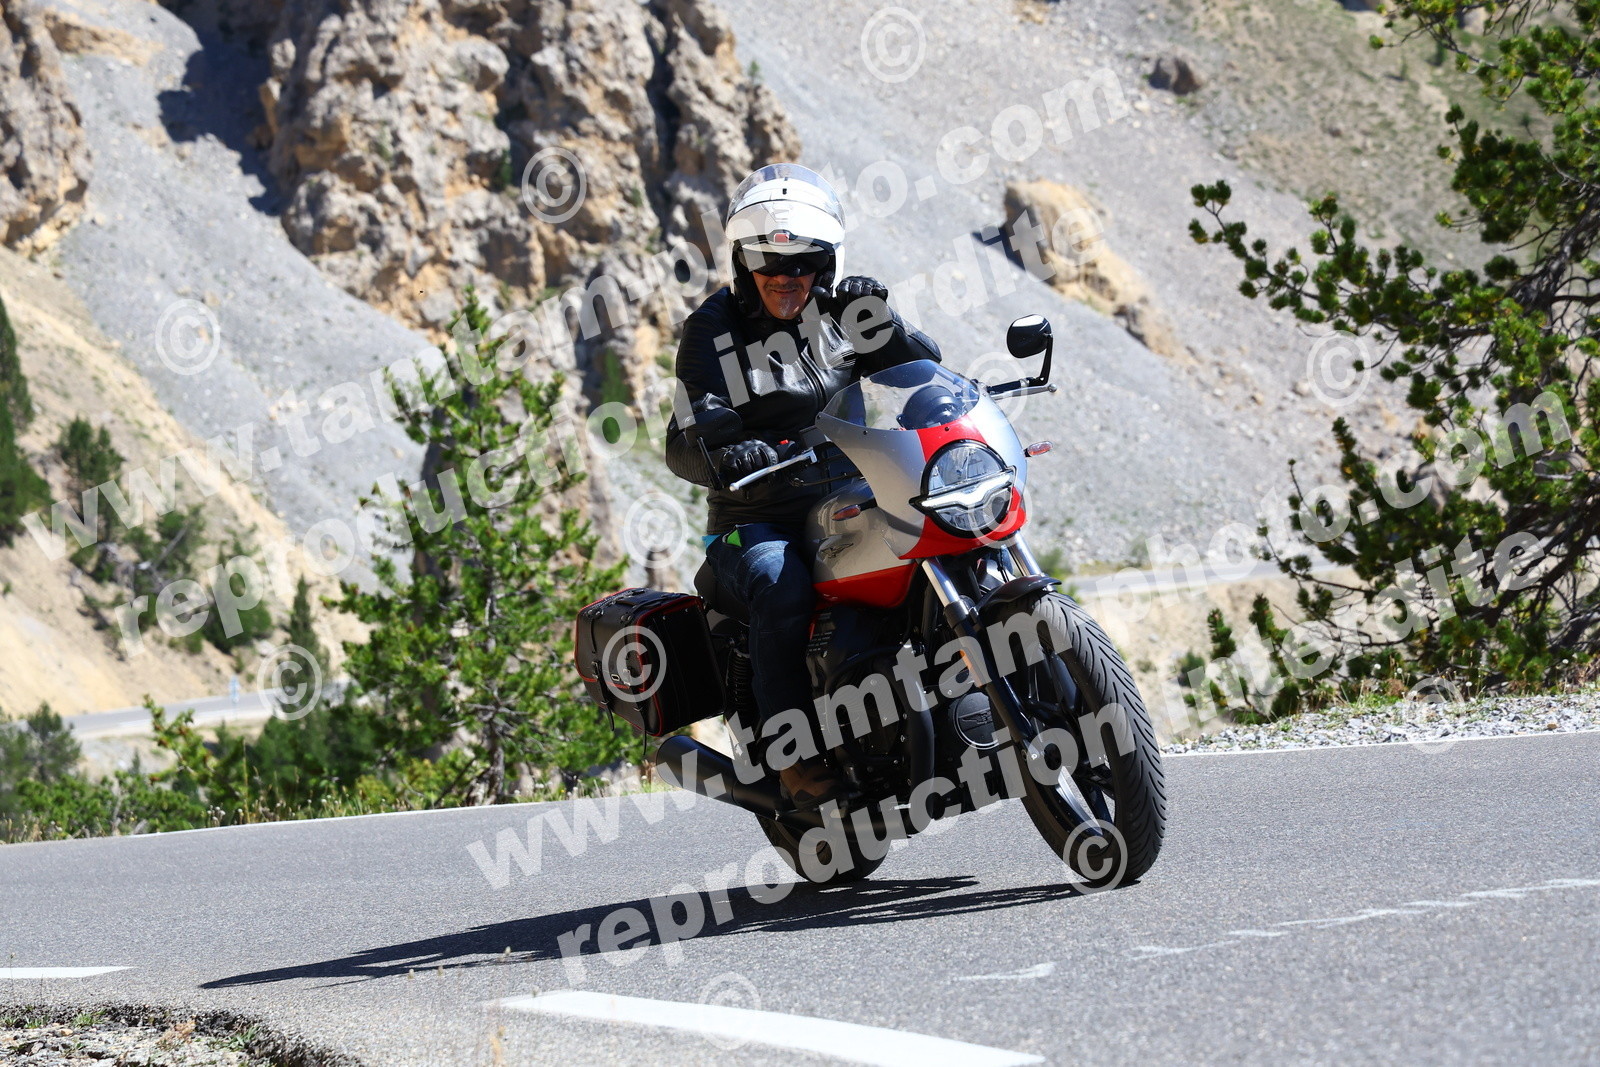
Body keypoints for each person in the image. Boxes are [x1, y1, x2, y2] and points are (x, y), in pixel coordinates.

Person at [664, 163, 941, 808]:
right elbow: (682, 438)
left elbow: (924, 373)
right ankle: (795, 759)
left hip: (853, 497)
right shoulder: (713, 329)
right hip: (756, 518)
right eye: (768, 261)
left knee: (937, 534)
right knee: (781, 583)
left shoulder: (839, 312)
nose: (786, 277)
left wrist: (881, 321)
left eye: (805, 263)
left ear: (827, 263)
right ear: (743, 261)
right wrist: (725, 451)